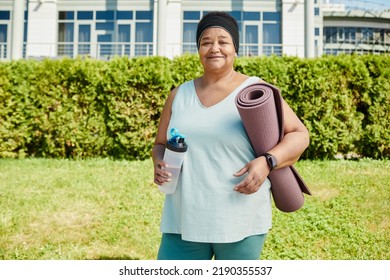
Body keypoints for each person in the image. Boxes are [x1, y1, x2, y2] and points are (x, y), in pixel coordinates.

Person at [152, 11, 309, 260]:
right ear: (198, 49)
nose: (215, 48)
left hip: (240, 220)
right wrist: (159, 162)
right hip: (183, 218)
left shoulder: (257, 90)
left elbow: (300, 135)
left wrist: (268, 161)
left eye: (223, 41)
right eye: (206, 42)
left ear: (235, 49)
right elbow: (160, 144)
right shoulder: (179, 95)